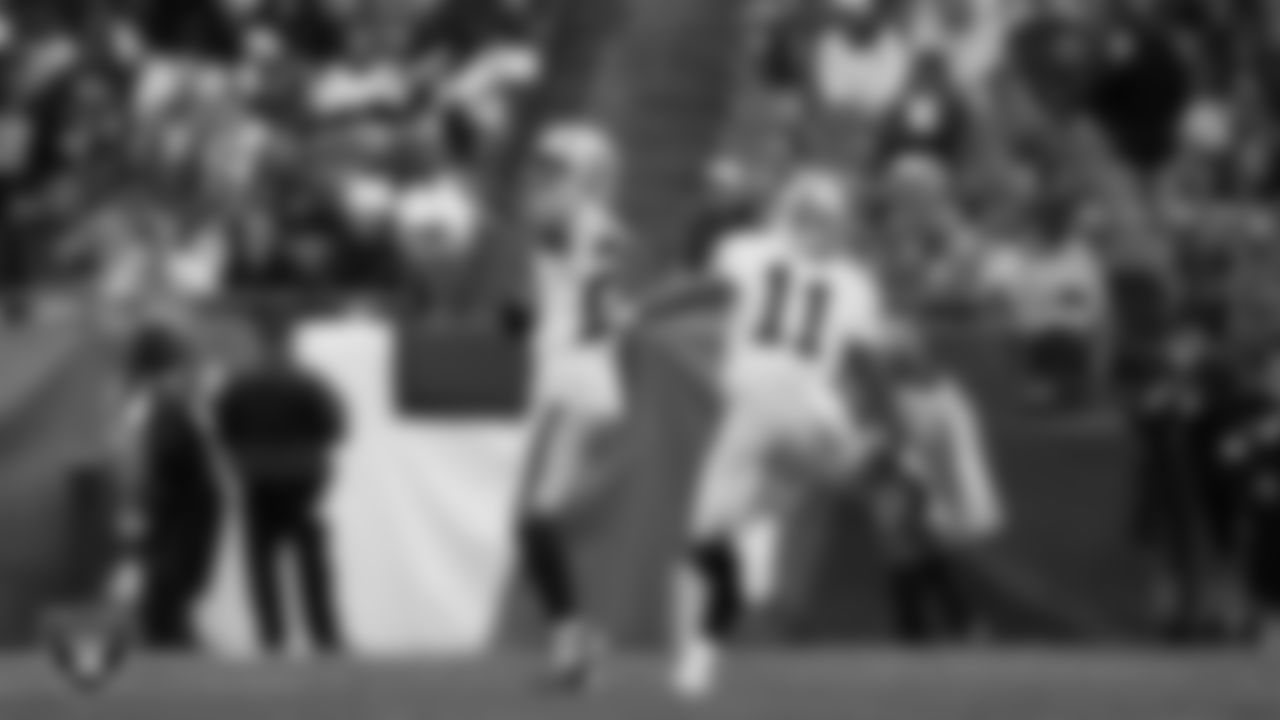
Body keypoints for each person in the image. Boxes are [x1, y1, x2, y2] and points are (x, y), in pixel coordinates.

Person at [667, 168, 893, 699]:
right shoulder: (854, 282)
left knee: (703, 539)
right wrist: (881, 424)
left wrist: (646, 309)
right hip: (814, 423)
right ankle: (855, 458)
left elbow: (702, 290)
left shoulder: (747, 252)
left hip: (756, 409)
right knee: (724, 533)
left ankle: (698, 655)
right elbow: (869, 364)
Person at [512, 121, 630, 688]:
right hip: (589, 379)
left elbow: (546, 224)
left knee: (536, 521)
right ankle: (578, 639)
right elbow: (600, 304)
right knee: (551, 523)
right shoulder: (604, 227)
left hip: (571, 384)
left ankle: (575, 642)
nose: (541, 179)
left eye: (555, 169)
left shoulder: (570, 220)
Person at [212, 313, 347, 656]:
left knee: (261, 563)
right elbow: (335, 427)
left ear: (259, 342)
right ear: (289, 342)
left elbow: (223, 429)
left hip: (257, 478)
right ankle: (324, 635)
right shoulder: (309, 382)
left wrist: (245, 456)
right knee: (312, 564)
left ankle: (271, 636)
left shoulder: (239, 384)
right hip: (303, 480)